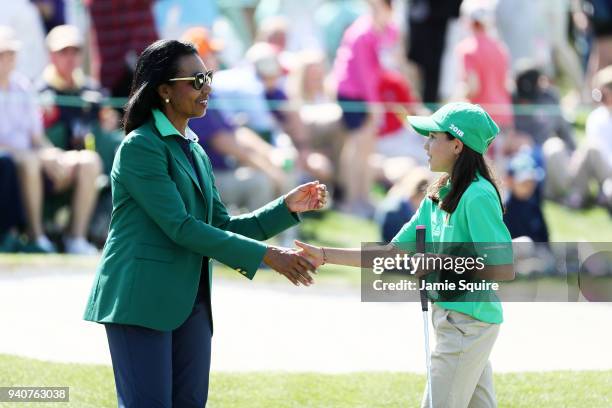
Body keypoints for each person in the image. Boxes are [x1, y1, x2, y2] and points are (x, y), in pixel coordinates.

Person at [83, 39, 327, 408]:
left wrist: (285, 207)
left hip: (190, 301)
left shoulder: (194, 148)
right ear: (164, 91)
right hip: (139, 300)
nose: (207, 87)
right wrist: (267, 256)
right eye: (196, 79)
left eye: (208, 76)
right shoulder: (140, 147)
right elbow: (181, 227)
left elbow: (221, 225)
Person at [296, 102, 514, 408]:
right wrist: (324, 254)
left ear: (456, 144)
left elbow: (502, 267)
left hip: (468, 323)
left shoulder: (477, 195)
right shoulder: (438, 192)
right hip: (453, 320)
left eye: (432, 137)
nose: (425, 145)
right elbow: (391, 253)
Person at [0, 25, 99, 254]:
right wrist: (36, 155)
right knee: (32, 161)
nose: (8, 59)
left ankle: (75, 238)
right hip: (13, 162)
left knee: (89, 161)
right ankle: (37, 236)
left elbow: (36, 136)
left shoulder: (22, 86)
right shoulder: (34, 86)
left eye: (11, 53)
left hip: (32, 157)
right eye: (2, 54)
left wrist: (53, 155)